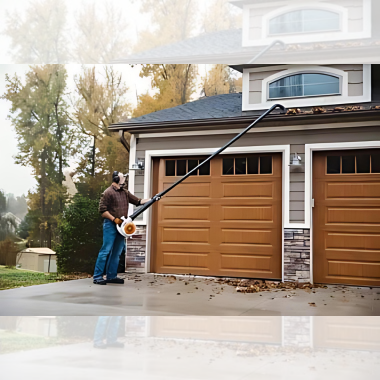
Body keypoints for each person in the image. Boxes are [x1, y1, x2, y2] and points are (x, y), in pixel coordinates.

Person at [93, 171, 151, 285]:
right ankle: (97, 276)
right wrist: (114, 219)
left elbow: (138, 201)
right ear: (116, 179)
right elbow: (102, 210)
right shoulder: (108, 192)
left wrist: (153, 198)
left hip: (122, 226)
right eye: (122, 177)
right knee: (106, 250)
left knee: (117, 251)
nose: (124, 178)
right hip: (110, 225)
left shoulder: (124, 192)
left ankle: (111, 276)